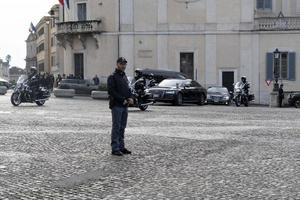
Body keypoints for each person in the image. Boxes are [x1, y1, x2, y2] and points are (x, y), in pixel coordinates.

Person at [107, 57, 134, 156]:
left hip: (124, 106)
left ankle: (121, 147)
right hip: (117, 105)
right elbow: (111, 91)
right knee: (116, 127)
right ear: (117, 64)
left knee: (122, 127)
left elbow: (128, 89)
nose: (123, 66)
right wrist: (122, 99)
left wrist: (131, 97)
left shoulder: (124, 76)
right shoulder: (112, 77)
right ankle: (115, 148)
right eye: (121, 64)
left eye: (124, 64)